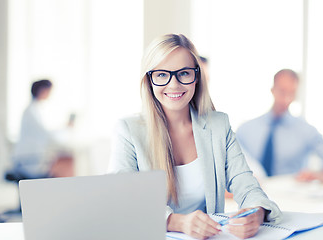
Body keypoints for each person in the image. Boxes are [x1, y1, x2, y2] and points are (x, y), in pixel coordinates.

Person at [109, 34, 282, 239]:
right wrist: (178, 222)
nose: (174, 85)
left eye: (183, 73)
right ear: (149, 79)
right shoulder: (129, 130)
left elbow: (245, 183)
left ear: (196, 77)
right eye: (162, 75)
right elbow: (122, 200)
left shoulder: (218, 125)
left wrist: (257, 212)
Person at [236, 69, 323, 182]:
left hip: (291, 196)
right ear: (273, 90)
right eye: (282, 91)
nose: (286, 99)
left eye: (292, 93)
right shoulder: (245, 130)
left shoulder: (306, 130)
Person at [7, 79, 74, 181]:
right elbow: (46, 135)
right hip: (28, 161)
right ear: (42, 91)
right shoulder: (31, 112)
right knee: (66, 163)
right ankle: (63, 194)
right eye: (49, 91)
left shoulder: (34, 110)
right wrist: (65, 128)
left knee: (62, 161)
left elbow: (44, 134)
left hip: (31, 158)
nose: (49, 94)